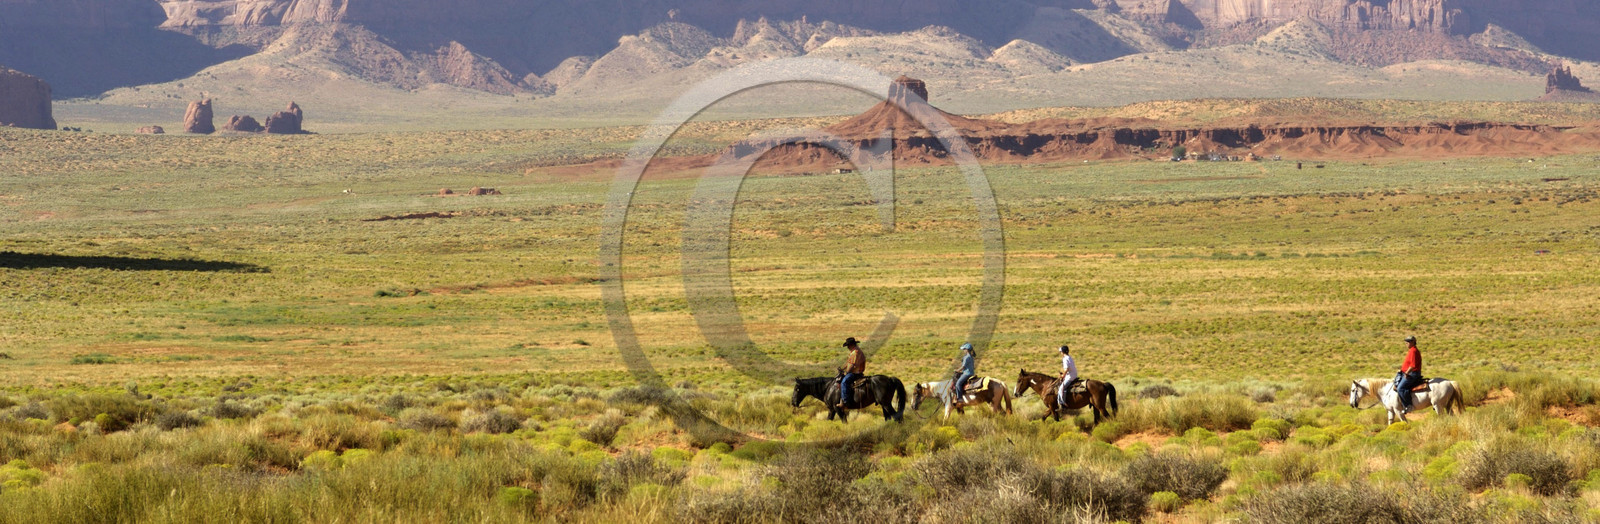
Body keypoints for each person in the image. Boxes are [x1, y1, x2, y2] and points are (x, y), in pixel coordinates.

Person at [1395, 335, 1423, 413]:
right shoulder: (1411, 350)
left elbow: (1413, 365)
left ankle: (1408, 406)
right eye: (1406, 342)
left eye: (1408, 341)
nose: (1406, 343)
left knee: (1400, 388)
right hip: (1409, 372)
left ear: (1413, 342)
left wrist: (1406, 373)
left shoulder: (1413, 351)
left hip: (1413, 373)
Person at [839, 337, 866, 409]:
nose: (847, 347)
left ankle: (845, 401)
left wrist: (846, 372)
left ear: (851, 345)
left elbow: (851, 365)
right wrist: (842, 368)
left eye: (848, 345)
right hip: (855, 372)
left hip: (855, 373)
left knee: (844, 382)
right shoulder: (854, 351)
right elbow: (848, 363)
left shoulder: (855, 352)